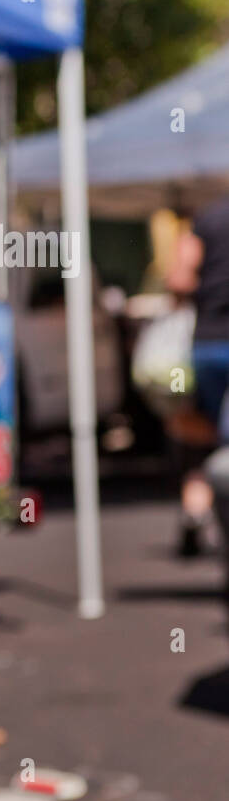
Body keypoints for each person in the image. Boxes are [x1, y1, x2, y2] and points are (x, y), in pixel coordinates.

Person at [167, 197, 229, 555]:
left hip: (209, 344)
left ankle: (196, 507)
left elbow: (178, 278)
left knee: (206, 437)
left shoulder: (209, 218)